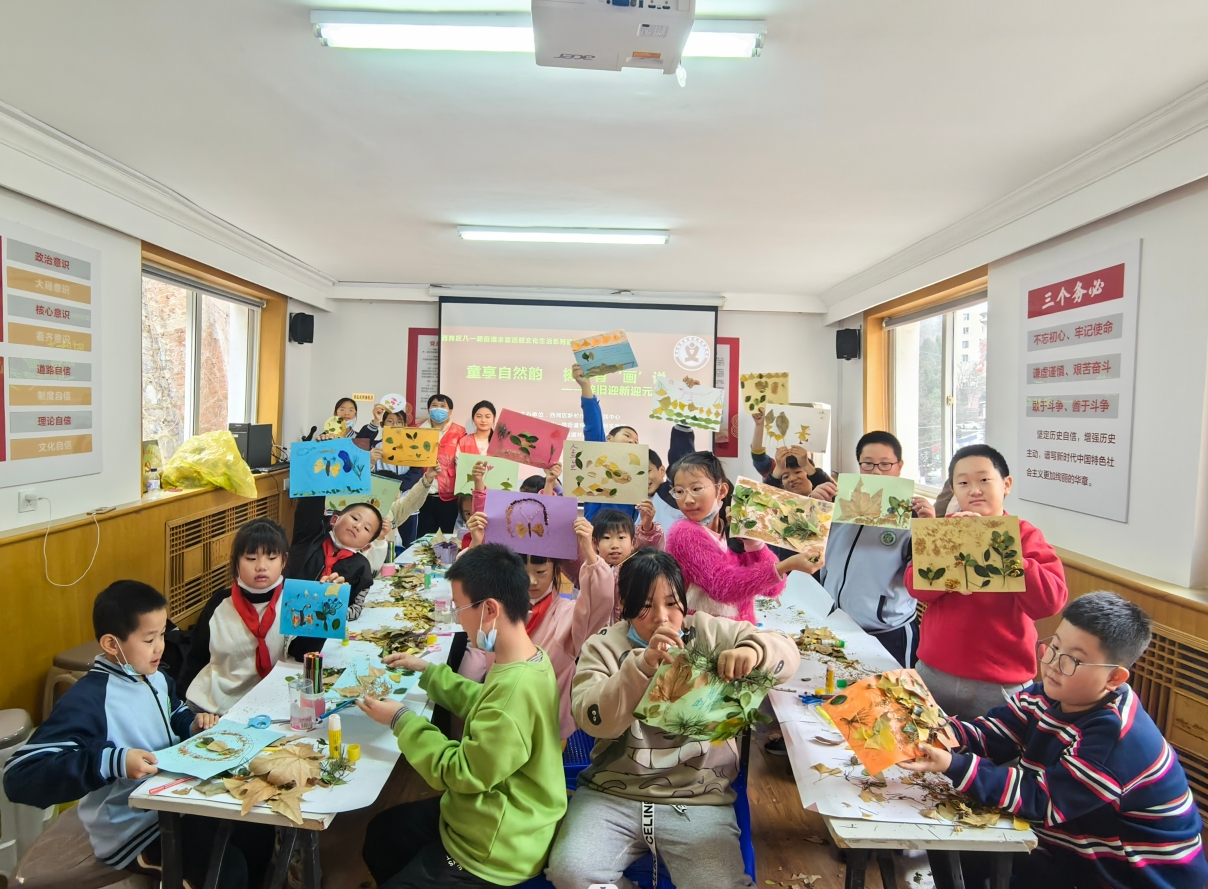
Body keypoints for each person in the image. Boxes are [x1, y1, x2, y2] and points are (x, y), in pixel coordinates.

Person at [902, 592, 1208, 889]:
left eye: (1073, 660)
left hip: (1129, 877)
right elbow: (993, 732)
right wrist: (935, 730)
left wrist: (954, 764)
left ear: (1113, 678)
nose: (1052, 664)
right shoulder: (1047, 694)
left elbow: (1041, 800)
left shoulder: (1115, 739)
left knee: (972, 844)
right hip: (1072, 846)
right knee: (958, 845)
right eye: (1054, 646)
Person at [547, 549, 799, 889]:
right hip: (612, 794)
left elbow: (786, 651)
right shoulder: (603, 647)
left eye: (671, 603)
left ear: (684, 600)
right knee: (571, 873)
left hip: (697, 798)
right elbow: (592, 719)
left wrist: (754, 652)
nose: (662, 618)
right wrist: (640, 667)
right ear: (624, 604)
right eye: (645, 606)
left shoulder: (707, 632)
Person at [3, 581, 272, 889]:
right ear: (111, 644)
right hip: (134, 828)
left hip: (177, 799)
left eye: (162, 635)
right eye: (149, 639)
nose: (160, 647)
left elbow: (174, 713)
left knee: (258, 831)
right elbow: (20, 775)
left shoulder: (154, 677)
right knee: (225, 870)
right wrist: (113, 761)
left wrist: (193, 725)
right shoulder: (89, 700)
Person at [357, 544, 565, 887]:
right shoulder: (529, 658)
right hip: (481, 814)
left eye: (460, 609)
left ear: (490, 609)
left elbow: (460, 772)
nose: (458, 619)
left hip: (494, 848)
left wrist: (401, 720)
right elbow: (484, 703)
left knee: (390, 842)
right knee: (383, 835)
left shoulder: (515, 690)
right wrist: (427, 671)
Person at [907, 444, 1068, 717]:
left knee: (996, 745)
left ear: (1006, 485)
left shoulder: (1025, 535)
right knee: (924, 739)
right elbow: (915, 586)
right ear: (953, 489)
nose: (974, 490)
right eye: (963, 483)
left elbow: (1050, 602)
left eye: (984, 480)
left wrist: (999, 548)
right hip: (934, 672)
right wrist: (949, 561)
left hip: (1000, 684)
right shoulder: (944, 530)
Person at [456, 515, 616, 739]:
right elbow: (464, 591)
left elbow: (599, 602)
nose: (531, 580)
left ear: (556, 569)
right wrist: (475, 544)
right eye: (522, 572)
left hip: (545, 729)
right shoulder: (496, 609)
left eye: (541, 572)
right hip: (499, 720)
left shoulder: (567, 615)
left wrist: (589, 553)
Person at [180, 518, 323, 714]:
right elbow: (197, 657)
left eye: (271, 558)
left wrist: (323, 604)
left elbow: (305, 656)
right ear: (236, 562)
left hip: (278, 702)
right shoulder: (219, 604)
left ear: (284, 560)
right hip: (220, 706)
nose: (261, 566)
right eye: (251, 558)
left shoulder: (296, 601)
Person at [818, 431, 935, 668]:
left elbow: (927, 579)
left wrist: (930, 531)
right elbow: (805, 550)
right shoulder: (838, 504)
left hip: (886, 631)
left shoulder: (913, 515)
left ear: (899, 466)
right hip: (834, 624)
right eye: (868, 464)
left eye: (885, 464)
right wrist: (812, 508)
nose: (877, 472)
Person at [664, 451, 818, 623]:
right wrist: (786, 565)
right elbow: (723, 587)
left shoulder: (731, 528)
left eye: (696, 489)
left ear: (722, 490)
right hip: (705, 633)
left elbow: (772, 590)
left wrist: (755, 543)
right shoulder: (683, 533)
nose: (687, 500)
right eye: (679, 491)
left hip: (741, 632)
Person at [573, 363, 695, 523]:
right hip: (595, 534)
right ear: (608, 439)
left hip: (628, 536)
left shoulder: (641, 487)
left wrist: (687, 402)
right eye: (627, 436)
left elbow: (680, 460)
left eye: (636, 441)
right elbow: (593, 427)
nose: (632, 441)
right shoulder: (598, 462)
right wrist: (586, 386)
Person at [288, 501, 383, 621]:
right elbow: (309, 507)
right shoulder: (309, 540)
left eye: (366, 528)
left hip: (325, 629)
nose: (357, 526)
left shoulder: (362, 569)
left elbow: (356, 610)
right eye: (355, 518)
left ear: (366, 546)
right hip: (288, 616)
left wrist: (335, 604)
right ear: (334, 520)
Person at [578, 508, 663, 622]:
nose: (614, 545)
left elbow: (651, 550)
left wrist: (647, 527)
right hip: (598, 630)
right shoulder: (589, 568)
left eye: (621, 537)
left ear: (633, 542)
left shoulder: (637, 568)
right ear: (595, 543)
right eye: (607, 538)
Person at [749, 410, 836, 499]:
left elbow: (835, 495)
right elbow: (759, 458)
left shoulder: (818, 478)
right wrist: (760, 425)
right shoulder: (777, 470)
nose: (792, 479)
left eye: (798, 472)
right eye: (785, 477)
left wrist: (806, 465)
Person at [417, 393, 468, 535]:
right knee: (422, 537)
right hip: (422, 492)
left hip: (448, 494)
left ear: (450, 411)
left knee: (447, 537)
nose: (438, 409)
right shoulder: (417, 429)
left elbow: (462, 462)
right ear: (428, 410)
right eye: (434, 405)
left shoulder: (460, 432)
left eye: (442, 406)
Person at [646, 449, 685, 532]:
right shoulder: (633, 504)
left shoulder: (671, 493)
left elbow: (681, 454)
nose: (642, 478)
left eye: (647, 471)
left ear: (662, 471)